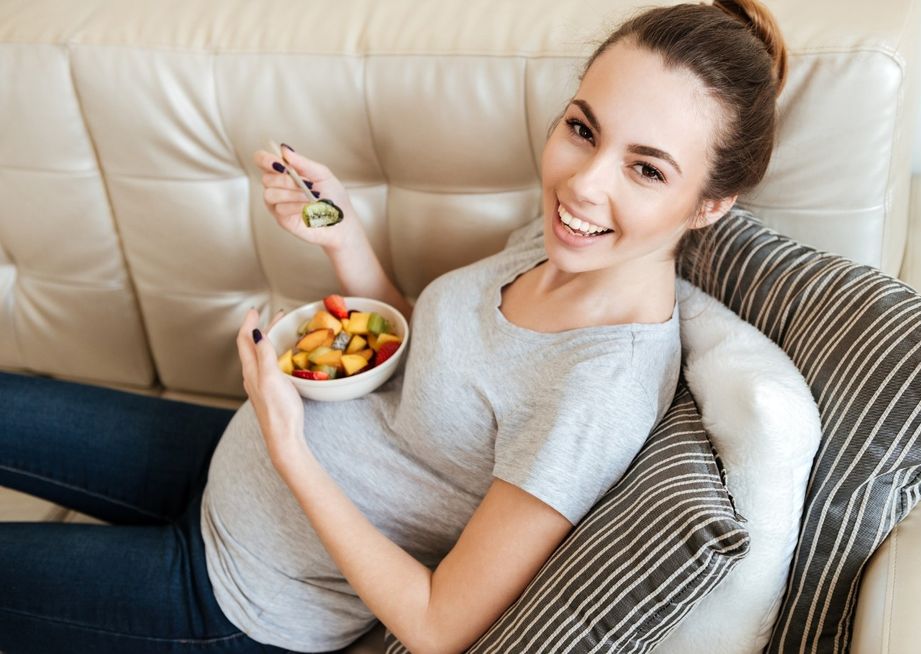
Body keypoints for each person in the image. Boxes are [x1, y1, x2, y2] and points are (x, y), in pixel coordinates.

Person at [0, 1, 787, 652]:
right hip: (223, 467)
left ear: (711, 205)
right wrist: (342, 234)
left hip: (243, 595)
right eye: (583, 129)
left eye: (646, 169)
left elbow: (439, 624)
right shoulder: (559, 243)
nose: (582, 184)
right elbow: (449, 365)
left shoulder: (597, 389)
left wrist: (291, 447)